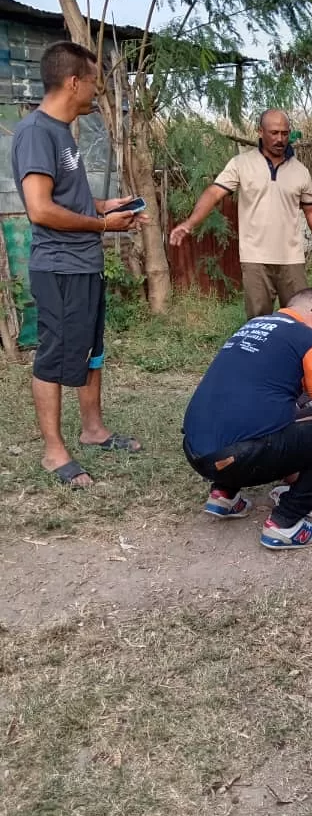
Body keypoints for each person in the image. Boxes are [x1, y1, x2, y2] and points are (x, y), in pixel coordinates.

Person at [11, 40, 144, 488]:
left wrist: (109, 206)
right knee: (53, 356)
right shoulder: (37, 132)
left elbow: (72, 202)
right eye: (94, 83)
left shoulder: (63, 134)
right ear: (73, 82)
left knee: (92, 351)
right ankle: (53, 452)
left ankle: (93, 430)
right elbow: (41, 210)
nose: (97, 92)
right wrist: (104, 224)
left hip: (83, 263)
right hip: (60, 267)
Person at [182, 287, 312, 549]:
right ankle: (285, 522)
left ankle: (224, 494)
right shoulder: (310, 340)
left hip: (196, 451)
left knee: (254, 414)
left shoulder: (255, 325)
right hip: (237, 456)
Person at [169, 109, 312, 319]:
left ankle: (290, 353)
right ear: (260, 132)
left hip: (291, 259)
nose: (280, 139)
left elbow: (311, 209)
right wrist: (189, 223)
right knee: (258, 321)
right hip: (255, 258)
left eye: (284, 133)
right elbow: (214, 192)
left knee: (297, 319)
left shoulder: (300, 171)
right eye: (274, 133)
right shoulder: (241, 164)